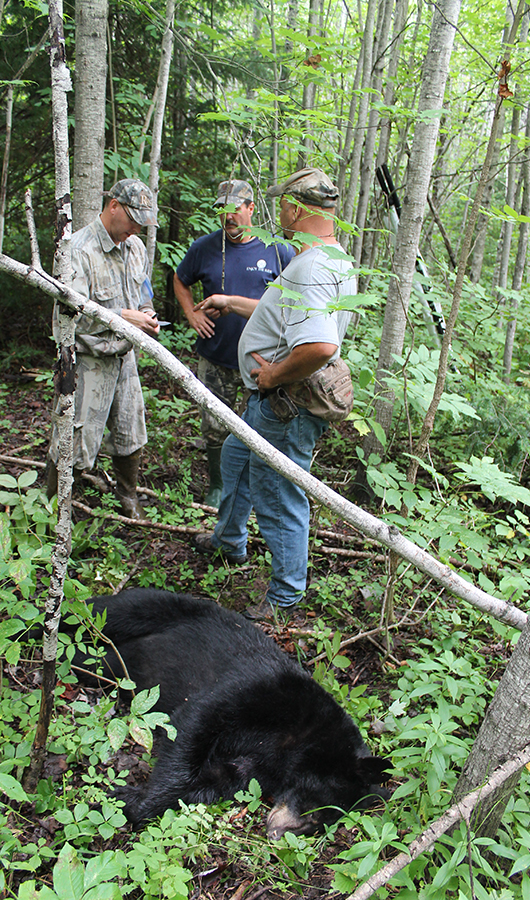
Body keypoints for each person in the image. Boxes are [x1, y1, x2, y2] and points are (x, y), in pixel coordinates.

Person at [194, 168, 356, 618]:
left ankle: (285, 597)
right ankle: (228, 541)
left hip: (285, 403)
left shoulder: (309, 268)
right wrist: (232, 302)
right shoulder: (333, 258)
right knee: (235, 455)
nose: (278, 210)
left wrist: (272, 376)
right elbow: (283, 313)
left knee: (278, 491)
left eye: (282, 202)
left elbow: (321, 345)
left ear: (295, 208)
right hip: (273, 403)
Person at [174, 179, 294, 507]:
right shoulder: (204, 247)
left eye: (235, 209)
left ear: (251, 208)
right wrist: (191, 314)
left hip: (262, 362)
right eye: (222, 210)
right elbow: (180, 279)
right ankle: (218, 486)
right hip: (216, 355)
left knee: (260, 427)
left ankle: (255, 490)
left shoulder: (278, 250)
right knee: (214, 425)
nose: (228, 216)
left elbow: (292, 304)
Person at [47, 178, 159, 519]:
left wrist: (147, 314)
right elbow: (70, 315)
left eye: (142, 222)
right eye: (133, 219)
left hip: (124, 357)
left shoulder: (135, 247)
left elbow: (143, 291)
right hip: (87, 359)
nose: (136, 227)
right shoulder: (77, 250)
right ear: (113, 206)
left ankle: (128, 497)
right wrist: (125, 317)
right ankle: (53, 509)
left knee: (130, 430)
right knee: (75, 439)